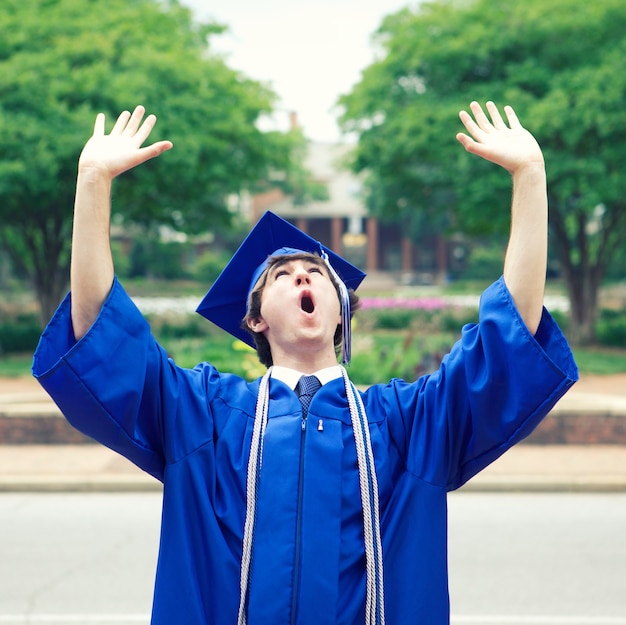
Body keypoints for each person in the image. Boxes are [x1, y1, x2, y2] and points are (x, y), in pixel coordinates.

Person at [32, 101, 578, 625]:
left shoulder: (408, 425)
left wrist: (530, 177)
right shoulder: (201, 416)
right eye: (282, 274)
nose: (303, 276)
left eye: (317, 273)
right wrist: (93, 184)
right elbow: (99, 325)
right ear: (255, 321)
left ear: (341, 312)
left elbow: (508, 341)